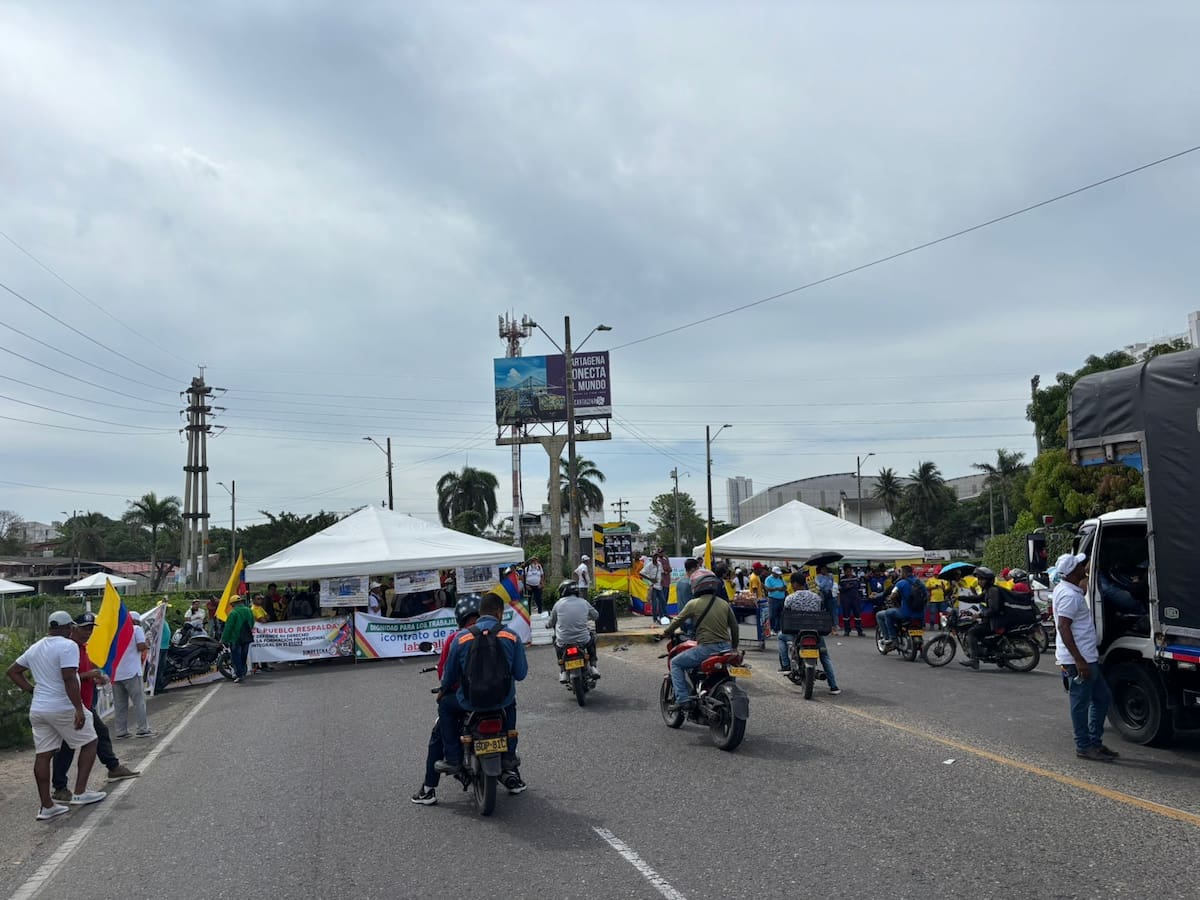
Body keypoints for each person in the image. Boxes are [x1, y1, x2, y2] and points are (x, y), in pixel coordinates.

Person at [5, 611, 106, 819]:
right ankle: (79, 793)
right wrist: (79, 708)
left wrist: (32, 690)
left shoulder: (35, 648)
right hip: (63, 706)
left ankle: (46, 806)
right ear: (69, 627)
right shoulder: (67, 645)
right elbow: (69, 677)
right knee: (90, 742)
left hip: (39, 708)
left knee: (43, 754)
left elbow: (13, 671)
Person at [435, 590, 529, 793]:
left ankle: (452, 759)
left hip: (469, 702)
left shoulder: (460, 638)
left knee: (445, 708)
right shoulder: (511, 636)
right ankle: (509, 756)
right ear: (499, 612)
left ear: (480, 611)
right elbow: (521, 674)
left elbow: (449, 675)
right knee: (511, 706)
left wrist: (442, 692)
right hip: (502, 701)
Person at [53, 613, 139, 801]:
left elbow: (83, 669)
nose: (88, 632)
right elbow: (67, 676)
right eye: (84, 628)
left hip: (84, 702)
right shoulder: (69, 648)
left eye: (91, 628)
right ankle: (62, 786)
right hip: (74, 704)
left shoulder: (81, 648)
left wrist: (95, 674)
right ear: (73, 629)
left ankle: (111, 767)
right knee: (74, 743)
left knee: (93, 736)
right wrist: (89, 674)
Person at [411, 595, 481, 806]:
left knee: (439, 732)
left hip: (462, 699)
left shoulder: (456, 638)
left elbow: (445, 672)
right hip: (495, 698)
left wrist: (443, 690)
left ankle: (429, 788)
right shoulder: (497, 633)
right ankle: (512, 775)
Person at [1053, 553, 1117, 761]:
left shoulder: (1069, 589)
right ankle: (1084, 746)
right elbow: (1064, 626)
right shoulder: (1070, 596)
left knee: (1102, 698)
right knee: (1081, 704)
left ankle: (1094, 742)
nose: (1085, 567)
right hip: (1079, 659)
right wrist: (1079, 660)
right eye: (1081, 565)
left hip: (1085, 656)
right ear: (1072, 572)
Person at [660, 570, 739, 711]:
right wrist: (734, 646)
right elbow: (734, 627)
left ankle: (683, 699)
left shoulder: (693, 604)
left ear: (696, 586)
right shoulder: (724, 604)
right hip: (726, 649)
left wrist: (666, 632)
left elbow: (678, 620)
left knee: (676, 663)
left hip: (707, 649)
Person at [960, 566, 1038, 670]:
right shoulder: (989, 590)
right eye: (979, 579)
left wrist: (980, 615)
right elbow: (977, 598)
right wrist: (959, 597)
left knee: (972, 632)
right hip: (997, 620)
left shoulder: (993, 591)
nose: (979, 581)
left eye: (982, 579)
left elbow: (994, 609)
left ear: (988, 580)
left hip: (998, 621)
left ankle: (974, 659)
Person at [780, 572, 841, 694]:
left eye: (792, 583)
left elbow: (786, 615)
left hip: (797, 632)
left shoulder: (789, 598)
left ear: (795, 584)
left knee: (781, 637)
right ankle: (834, 686)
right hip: (815, 632)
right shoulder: (816, 597)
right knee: (824, 656)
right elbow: (820, 611)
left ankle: (786, 667)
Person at [111, 611, 153, 739]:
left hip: (116, 673)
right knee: (138, 701)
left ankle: (121, 731)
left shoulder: (114, 632)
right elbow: (140, 646)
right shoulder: (135, 629)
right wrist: (147, 644)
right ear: (135, 620)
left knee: (120, 704)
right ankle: (142, 729)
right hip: (132, 672)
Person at [548, 583, 600, 681]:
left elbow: (551, 622)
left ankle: (563, 671)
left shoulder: (558, 604)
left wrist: (547, 625)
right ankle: (593, 666)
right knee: (591, 638)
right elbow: (596, 615)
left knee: (556, 641)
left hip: (564, 641)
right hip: (583, 640)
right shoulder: (584, 602)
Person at [877, 565, 924, 651]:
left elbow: (892, 595)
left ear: (904, 573)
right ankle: (921, 647)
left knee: (887, 613)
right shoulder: (920, 583)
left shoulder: (901, 583)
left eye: (901, 572)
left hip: (906, 613)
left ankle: (892, 639)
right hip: (920, 614)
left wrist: (890, 598)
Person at [222, 594, 256, 683]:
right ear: (241, 602)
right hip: (247, 637)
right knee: (243, 656)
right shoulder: (249, 610)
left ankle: (239, 675)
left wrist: (223, 639)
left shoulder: (233, 613)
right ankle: (243, 672)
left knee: (236, 657)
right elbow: (252, 622)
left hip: (235, 639)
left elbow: (228, 627)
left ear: (233, 604)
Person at [839, 564, 865, 636]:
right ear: (844, 571)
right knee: (846, 616)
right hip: (846, 600)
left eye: (850, 571)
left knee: (857, 615)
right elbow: (840, 590)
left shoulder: (856, 578)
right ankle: (847, 630)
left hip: (855, 599)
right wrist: (846, 587)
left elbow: (859, 588)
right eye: (847, 571)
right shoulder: (842, 579)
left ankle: (859, 630)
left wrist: (861, 597)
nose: (849, 572)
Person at [765, 566, 787, 642]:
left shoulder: (781, 578)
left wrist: (782, 588)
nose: (778, 575)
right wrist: (777, 589)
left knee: (780, 615)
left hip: (781, 599)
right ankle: (772, 628)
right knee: (772, 615)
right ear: (773, 573)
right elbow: (768, 589)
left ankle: (777, 629)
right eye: (776, 574)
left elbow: (785, 587)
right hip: (773, 599)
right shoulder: (768, 579)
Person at [640, 552, 662, 619]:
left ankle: (661, 615)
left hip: (660, 585)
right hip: (653, 586)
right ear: (652, 557)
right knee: (654, 602)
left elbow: (661, 573)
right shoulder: (649, 565)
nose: (655, 557)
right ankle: (655, 617)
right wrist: (650, 579)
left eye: (656, 556)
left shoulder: (659, 564)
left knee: (662, 601)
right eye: (654, 556)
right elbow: (641, 573)